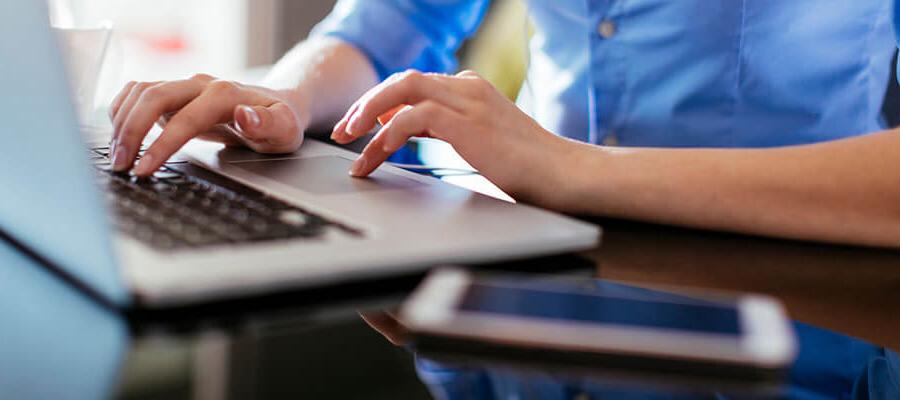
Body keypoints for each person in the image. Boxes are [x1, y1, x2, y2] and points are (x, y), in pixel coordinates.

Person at [107, 1, 900, 247]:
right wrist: (279, 101)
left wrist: (565, 168)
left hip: (803, 285)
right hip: (546, 260)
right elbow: (390, 24)